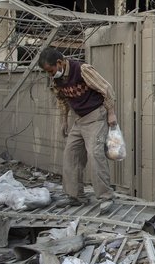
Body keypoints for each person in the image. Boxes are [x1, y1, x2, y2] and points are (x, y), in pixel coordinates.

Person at [38, 47, 118, 211]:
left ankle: (106, 197)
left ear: (59, 63)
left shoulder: (82, 70)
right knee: (71, 155)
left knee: (95, 154)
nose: (50, 74)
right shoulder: (57, 78)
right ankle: (76, 197)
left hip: (96, 115)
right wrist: (64, 121)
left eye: (51, 70)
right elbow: (62, 99)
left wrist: (111, 113)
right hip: (80, 119)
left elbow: (106, 89)